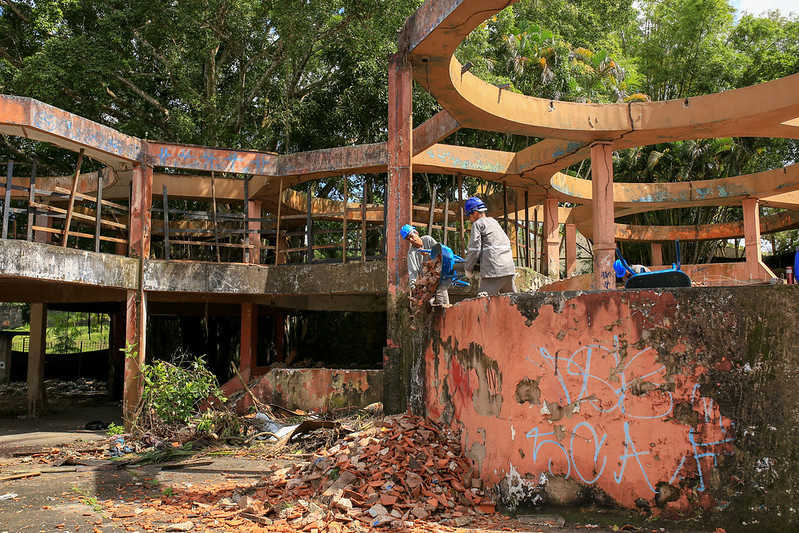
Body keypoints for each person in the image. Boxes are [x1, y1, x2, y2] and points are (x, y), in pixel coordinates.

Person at [462, 197, 517, 295]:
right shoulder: (493, 222)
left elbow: (474, 249)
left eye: (469, 215)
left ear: (475, 213)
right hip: (509, 270)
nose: (469, 219)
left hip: (494, 272)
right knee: (511, 304)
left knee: (483, 305)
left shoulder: (478, 224)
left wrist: (468, 269)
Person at [401, 224, 450, 306]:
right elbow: (412, 271)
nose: (412, 240)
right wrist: (414, 289)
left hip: (439, 279)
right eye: (408, 239)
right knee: (428, 309)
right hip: (427, 284)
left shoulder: (428, 239)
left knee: (444, 306)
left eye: (411, 236)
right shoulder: (411, 254)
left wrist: (429, 252)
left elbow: (440, 252)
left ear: (417, 233)